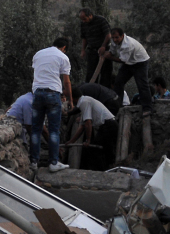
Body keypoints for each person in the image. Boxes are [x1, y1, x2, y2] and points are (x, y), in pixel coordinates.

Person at [30, 37, 73, 172]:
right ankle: (53, 162)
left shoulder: (38, 54)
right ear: (64, 48)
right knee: (54, 130)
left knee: (36, 129)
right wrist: (70, 99)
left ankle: (33, 162)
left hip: (37, 94)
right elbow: (66, 82)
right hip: (53, 94)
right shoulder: (63, 57)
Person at [65, 87, 118, 170]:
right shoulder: (85, 101)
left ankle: (103, 171)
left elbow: (88, 123)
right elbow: (82, 126)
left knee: (98, 150)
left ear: (73, 98)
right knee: (101, 150)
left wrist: (88, 140)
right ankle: (105, 169)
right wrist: (71, 141)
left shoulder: (84, 102)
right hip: (107, 125)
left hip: (109, 125)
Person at [104, 28, 152, 115]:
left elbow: (122, 60)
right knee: (118, 82)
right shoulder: (114, 42)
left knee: (142, 85)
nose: (115, 40)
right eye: (113, 38)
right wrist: (106, 53)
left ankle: (147, 108)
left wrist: (109, 57)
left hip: (140, 62)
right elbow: (112, 51)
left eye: (117, 37)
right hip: (129, 62)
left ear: (122, 36)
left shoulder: (127, 45)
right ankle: (117, 106)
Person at [78, 9, 113, 88]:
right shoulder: (83, 24)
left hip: (104, 51)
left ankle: (104, 93)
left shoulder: (101, 20)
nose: (83, 21)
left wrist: (103, 46)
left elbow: (108, 35)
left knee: (105, 74)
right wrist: (83, 50)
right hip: (92, 51)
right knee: (91, 74)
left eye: (84, 19)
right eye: (82, 19)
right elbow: (84, 38)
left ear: (90, 15)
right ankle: (91, 92)